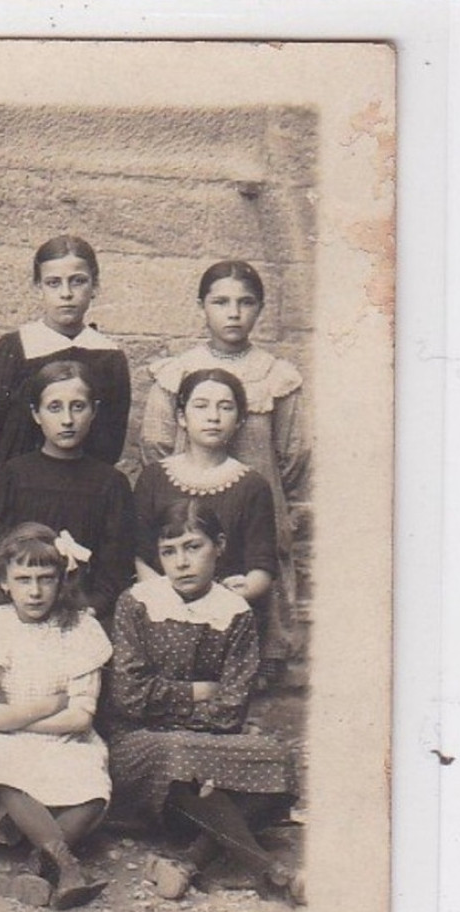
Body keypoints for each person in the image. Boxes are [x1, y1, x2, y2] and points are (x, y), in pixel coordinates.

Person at [101, 500, 302, 905]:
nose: (181, 563)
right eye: (168, 552)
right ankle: (268, 871)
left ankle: (190, 861)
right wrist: (196, 692)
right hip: (140, 744)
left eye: (193, 547)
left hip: (207, 743)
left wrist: (172, 699)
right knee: (179, 754)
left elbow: (230, 709)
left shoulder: (234, 613)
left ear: (220, 545)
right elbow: (129, 696)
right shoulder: (137, 604)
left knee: (277, 758)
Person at [139, 260, 309, 680]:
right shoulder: (176, 372)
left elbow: (294, 453)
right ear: (202, 307)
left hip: (252, 511)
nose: (233, 313)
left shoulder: (276, 376)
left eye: (245, 302)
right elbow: (155, 445)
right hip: (187, 509)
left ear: (260, 309)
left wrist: (259, 488)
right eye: (221, 302)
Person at [0, 523, 113, 910]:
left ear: (62, 582)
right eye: (23, 579)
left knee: (93, 787)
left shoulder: (80, 629)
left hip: (64, 739)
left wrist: (13, 714)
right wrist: (49, 705)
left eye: (46, 579)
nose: (35, 590)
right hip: (1, 741)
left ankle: (35, 865)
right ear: (5, 582)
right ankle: (66, 865)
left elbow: (80, 719)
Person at [0, 235, 129, 488]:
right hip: (16, 490)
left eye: (78, 282)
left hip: (84, 491)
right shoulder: (13, 349)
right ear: (37, 287)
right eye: (53, 283)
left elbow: (111, 444)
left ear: (95, 287)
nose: (66, 294)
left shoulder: (109, 357)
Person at [0, 360, 136, 620]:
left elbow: (115, 568)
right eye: (54, 408)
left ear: (94, 411)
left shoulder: (111, 484)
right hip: (18, 609)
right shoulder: (11, 476)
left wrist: (92, 607)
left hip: (85, 612)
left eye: (78, 407)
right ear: (36, 414)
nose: (67, 420)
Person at [132, 369, 278, 614]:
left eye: (225, 407)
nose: (213, 417)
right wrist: (168, 600)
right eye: (201, 406)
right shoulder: (154, 478)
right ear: (181, 417)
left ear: (240, 419)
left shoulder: (252, 486)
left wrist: (230, 596)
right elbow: (139, 555)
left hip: (225, 611)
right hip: (161, 608)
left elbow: (262, 566)